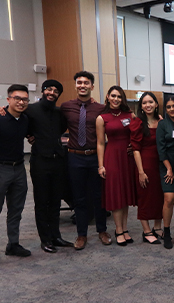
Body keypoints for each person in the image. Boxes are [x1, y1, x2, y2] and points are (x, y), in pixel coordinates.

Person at [0, 80, 75, 253]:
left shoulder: (60, 113)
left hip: (58, 161)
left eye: (56, 91)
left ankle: (56, 236)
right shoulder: (30, 110)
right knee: (41, 201)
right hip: (40, 162)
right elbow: (16, 119)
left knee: (55, 201)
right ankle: (45, 240)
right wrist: (0, 109)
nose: (52, 92)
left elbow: (60, 131)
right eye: (49, 89)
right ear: (43, 91)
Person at [61, 71, 111, 250]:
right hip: (74, 157)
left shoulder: (101, 108)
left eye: (86, 83)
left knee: (99, 196)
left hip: (95, 157)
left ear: (92, 86)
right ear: (75, 85)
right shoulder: (66, 107)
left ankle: (102, 231)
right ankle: (81, 234)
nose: (82, 85)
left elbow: (116, 121)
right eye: (79, 82)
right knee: (79, 198)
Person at [0, 84, 31, 265]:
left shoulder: (25, 119)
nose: (21, 102)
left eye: (24, 99)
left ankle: (13, 244)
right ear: (8, 99)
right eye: (17, 98)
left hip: (19, 168)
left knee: (16, 210)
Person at [96, 86, 136, 246]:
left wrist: (133, 145)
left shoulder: (130, 115)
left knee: (125, 195)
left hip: (128, 158)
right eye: (113, 96)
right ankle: (118, 229)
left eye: (119, 96)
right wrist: (101, 165)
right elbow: (100, 143)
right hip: (112, 157)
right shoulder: (102, 118)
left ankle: (125, 229)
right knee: (117, 195)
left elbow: (137, 135)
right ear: (107, 96)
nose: (116, 99)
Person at [131, 92, 165, 245]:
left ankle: (157, 227)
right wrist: (140, 171)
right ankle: (146, 231)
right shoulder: (138, 122)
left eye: (151, 102)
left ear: (156, 104)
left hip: (161, 163)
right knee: (144, 196)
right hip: (145, 164)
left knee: (160, 196)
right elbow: (136, 149)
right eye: (144, 103)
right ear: (141, 106)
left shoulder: (161, 121)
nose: (148, 105)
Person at [156, 96, 174, 249]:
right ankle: (166, 232)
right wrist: (169, 168)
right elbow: (161, 149)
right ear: (165, 109)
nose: (172, 109)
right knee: (169, 198)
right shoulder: (163, 124)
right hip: (167, 166)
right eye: (168, 107)